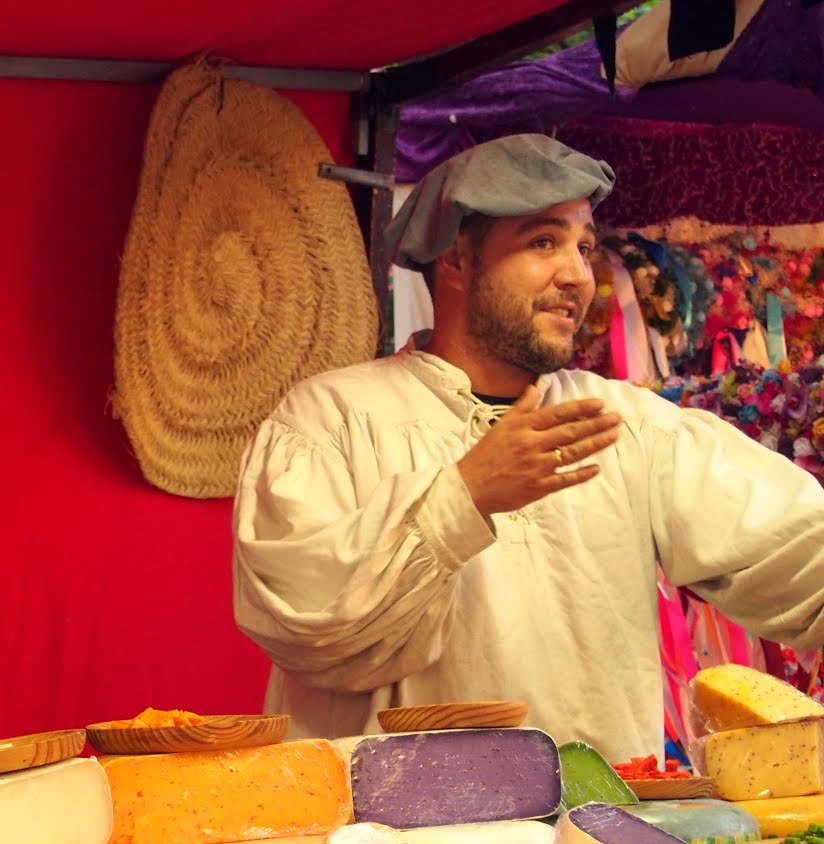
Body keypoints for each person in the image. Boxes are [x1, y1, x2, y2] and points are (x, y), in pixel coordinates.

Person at [232, 133, 824, 762]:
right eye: (544, 242)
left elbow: (793, 550)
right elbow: (306, 624)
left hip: (599, 840)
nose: (579, 276)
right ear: (457, 261)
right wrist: (464, 497)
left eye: (584, 247)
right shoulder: (331, 420)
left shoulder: (622, 424)